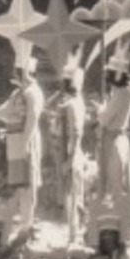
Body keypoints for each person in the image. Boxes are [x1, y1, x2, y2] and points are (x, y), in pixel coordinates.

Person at [0, 52, 45, 223]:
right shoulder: (18, 92)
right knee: (19, 185)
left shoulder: (33, 92)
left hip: (25, 141)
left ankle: (28, 222)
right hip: (14, 142)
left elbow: (32, 119)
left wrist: (25, 143)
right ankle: (23, 219)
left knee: (28, 184)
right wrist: (11, 115)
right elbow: (0, 112)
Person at [48, 57, 88, 246]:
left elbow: (76, 133)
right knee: (69, 195)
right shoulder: (70, 102)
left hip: (71, 155)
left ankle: (74, 234)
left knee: (72, 196)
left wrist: (69, 160)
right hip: (65, 153)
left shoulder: (73, 104)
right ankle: (73, 233)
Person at [95, 45, 130, 206]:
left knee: (114, 178)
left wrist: (100, 108)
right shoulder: (124, 92)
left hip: (113, 139)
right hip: (118, 136)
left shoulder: (121, 94)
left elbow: (105, 118)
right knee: (117, 178)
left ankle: (119, 211)